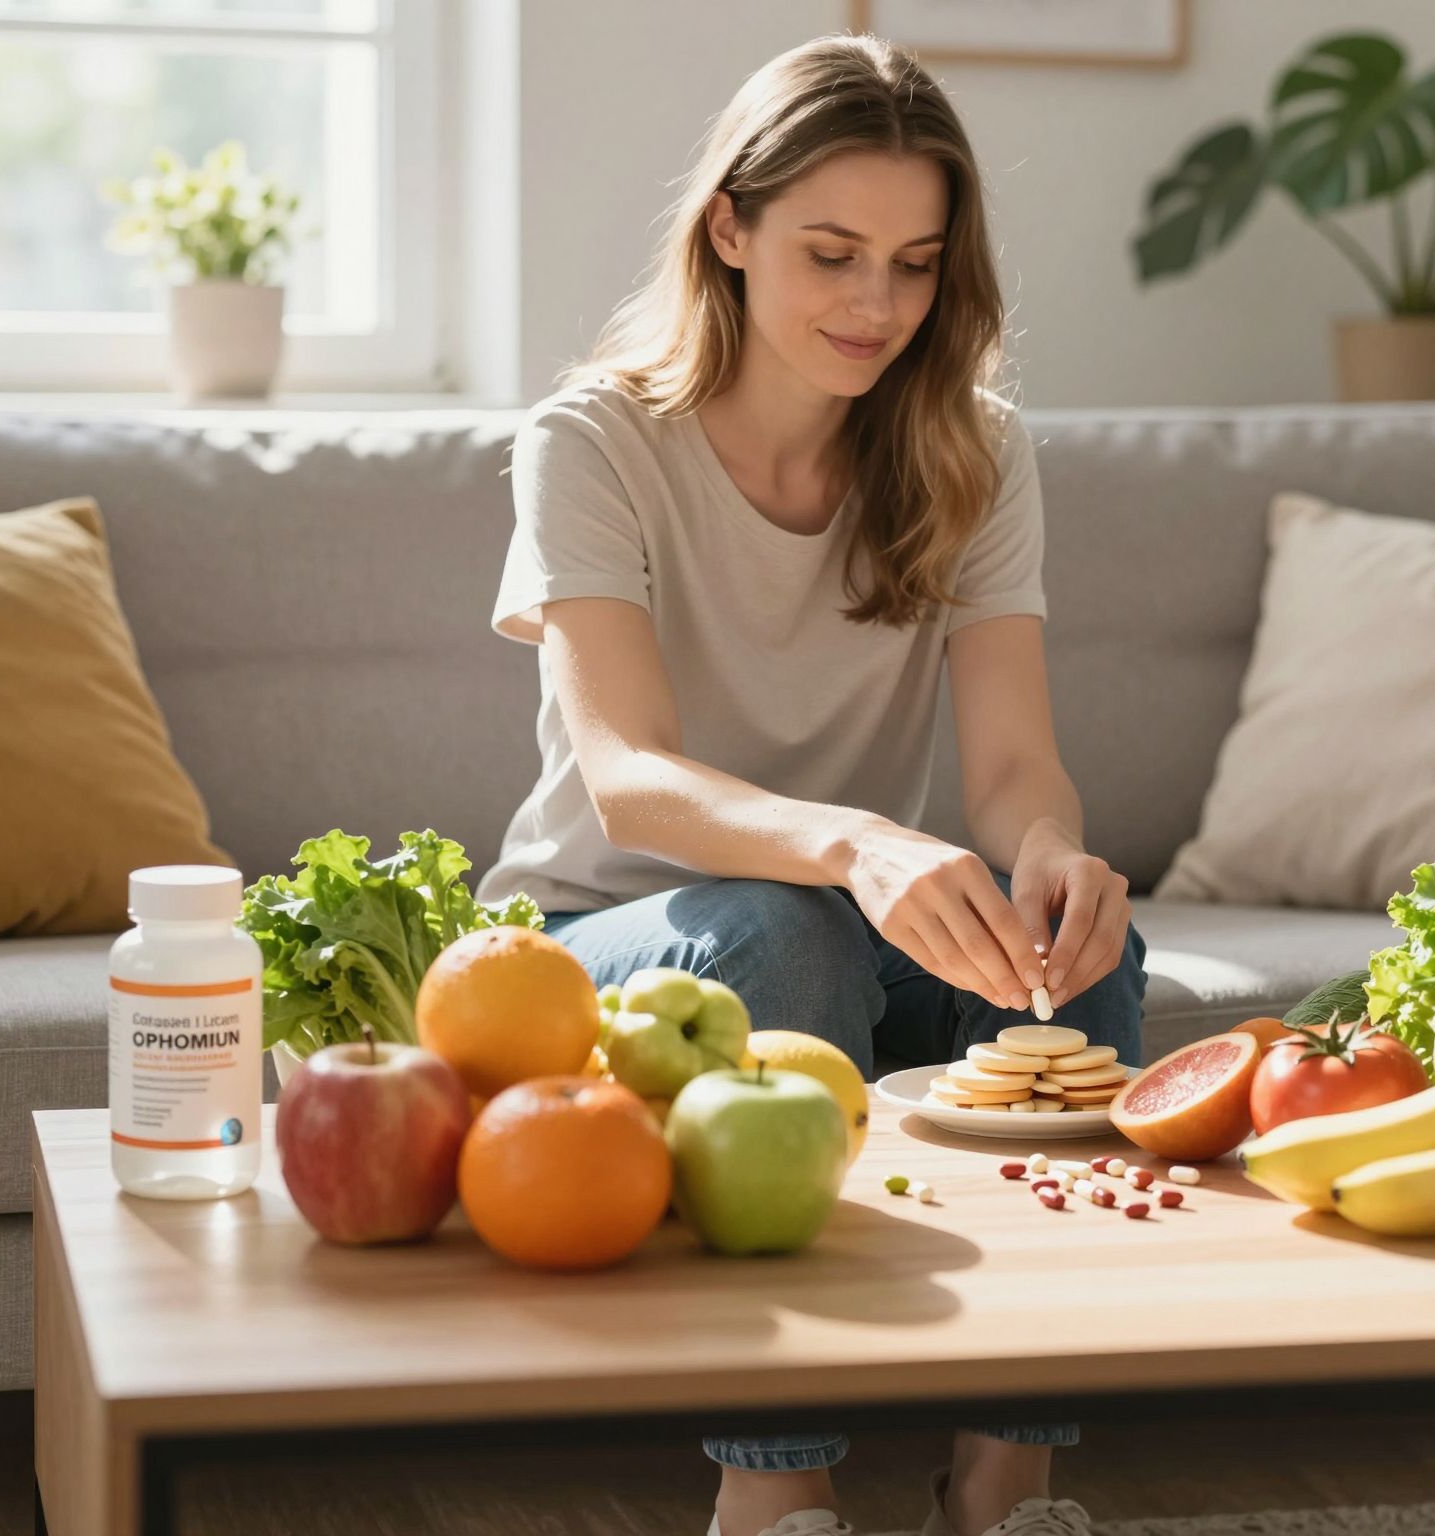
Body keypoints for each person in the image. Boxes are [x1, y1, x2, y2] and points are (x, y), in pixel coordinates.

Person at [475, 32, 1147, 1536]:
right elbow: (631, 778)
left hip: (855, 938)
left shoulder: (971, 448)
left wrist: (1052, 853)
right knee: (781, 931)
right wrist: (854, 845)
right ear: (731, 227)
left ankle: (1008, 1476)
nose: (877, 307)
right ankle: (773, 1496)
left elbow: (1016, 764)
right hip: (617, 950)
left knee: (1086, 955)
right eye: (832, 254)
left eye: (916, 265)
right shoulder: (591, 440)